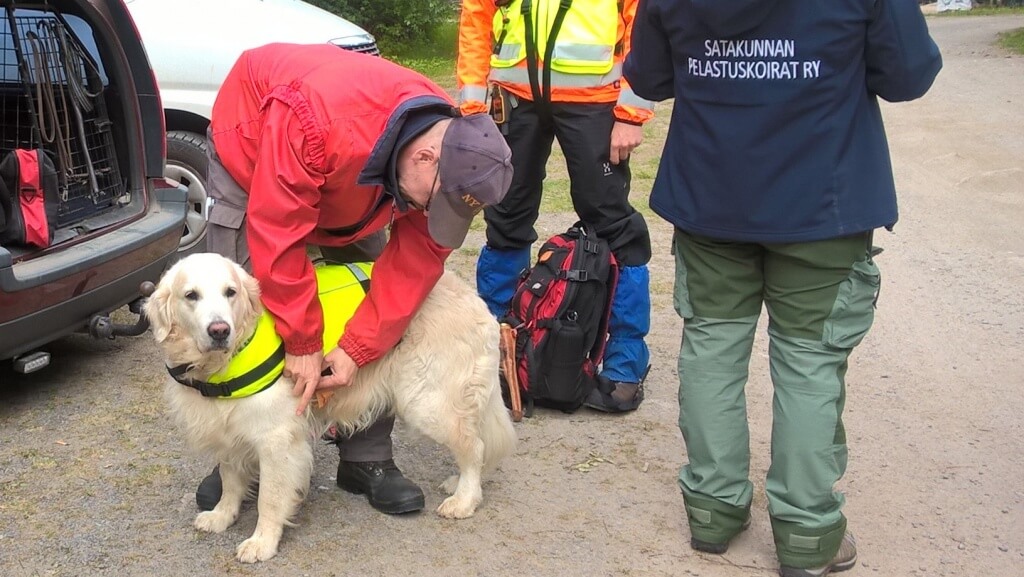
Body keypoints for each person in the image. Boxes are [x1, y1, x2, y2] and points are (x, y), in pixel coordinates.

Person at [623, 2, 941, 576]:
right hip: (823, 199)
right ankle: (806, 534)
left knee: (712, 353)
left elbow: (650, 76)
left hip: (710, 194)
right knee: (810, 363)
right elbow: (909, 75)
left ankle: (712, 511)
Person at [194, 43, 513, 516]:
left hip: (350, 179)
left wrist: (355, 350)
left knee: (370, 298)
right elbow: (280, 234)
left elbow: (411, 270)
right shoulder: (315, 117)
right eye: (435, 202)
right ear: (425, 158)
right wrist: (303, 343)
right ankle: (247, 454)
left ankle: (366, 458)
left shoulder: (444, 154)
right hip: (258, 155)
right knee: (243, 308)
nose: (431, 213)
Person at [456, 0, 654, 413]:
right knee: (505, 215)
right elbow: (477, 15)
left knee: (612, 222)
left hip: (594, 100)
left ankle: (624, 362)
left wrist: (632, 114)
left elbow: (643, 25)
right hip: (513, 100)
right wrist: (473, 109)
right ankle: (499, 348)